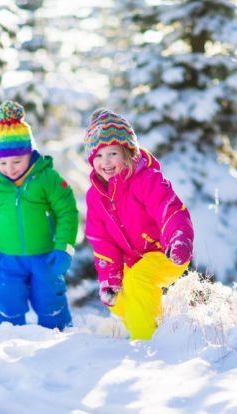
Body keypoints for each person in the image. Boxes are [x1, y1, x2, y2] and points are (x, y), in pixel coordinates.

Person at [0, 101, 78, 331]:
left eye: (17, 161)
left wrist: (64, 248)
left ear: (30, 153)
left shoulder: (47, 178)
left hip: (45, 256)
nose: (10, 168)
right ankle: (7, 343)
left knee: (51, 304)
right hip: (7, 260)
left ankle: (60, 343)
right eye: (3, 162)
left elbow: (67, 212)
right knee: (7, 305)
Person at [84, 108, 194, 340]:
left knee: (138, 281)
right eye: (99, 156)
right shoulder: (96, 197)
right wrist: (110, 278)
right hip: (133, 260)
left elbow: (169, 209)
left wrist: (178, 238)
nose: (106, 162)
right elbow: (101, 241)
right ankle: (162, 328)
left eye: (112, 153)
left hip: (164, 251)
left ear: (127, 153)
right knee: (118, 298)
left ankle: (146, 343)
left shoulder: (146, 179)